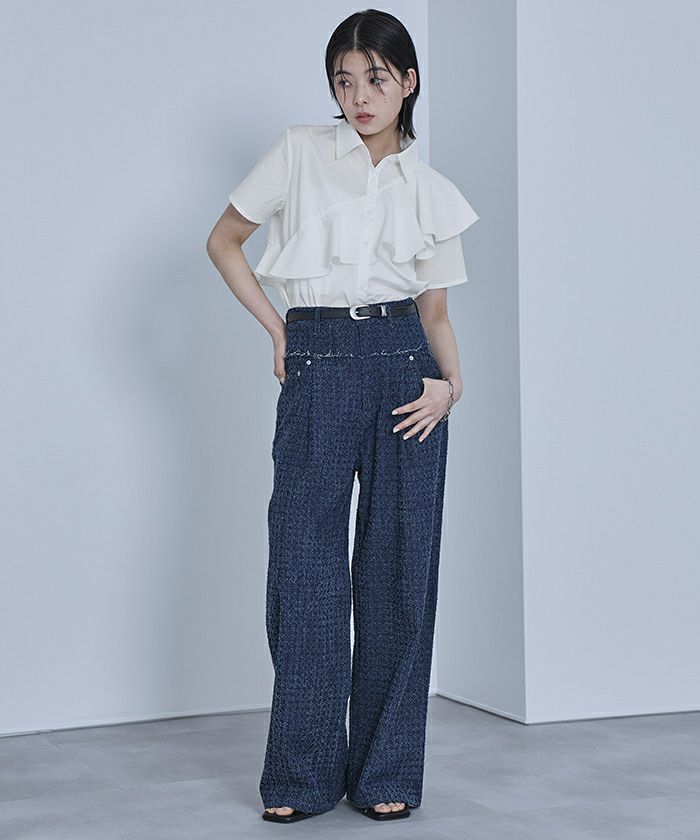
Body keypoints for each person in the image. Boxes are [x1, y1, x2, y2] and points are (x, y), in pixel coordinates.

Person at [206, 9, 479, 825]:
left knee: (400, 572)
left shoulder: (428, 189)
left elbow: (435, 311)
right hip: (319, 361)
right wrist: (279, 330)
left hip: (406, 370)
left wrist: (451, 385)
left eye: (376, 79)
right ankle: (301, 776)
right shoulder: (299, 151)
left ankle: (386, 770)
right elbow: (224, 240)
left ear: (409, 82)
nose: (359, 96)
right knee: (305, 571)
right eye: (344, 80)